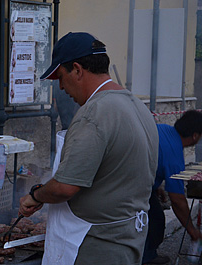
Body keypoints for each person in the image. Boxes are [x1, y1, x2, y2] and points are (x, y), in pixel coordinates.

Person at [18, 32, 159, 265]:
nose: (61, 87)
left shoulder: (94, 113)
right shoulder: (136, 105)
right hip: (129, 240)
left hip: (94, 246)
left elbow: (64, 187)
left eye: (61, 77)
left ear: (77, 69)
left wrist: (35, 196)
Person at [142, 110, 202, 264]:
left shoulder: (163, 128)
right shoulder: (175, 158)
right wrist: (192, 231)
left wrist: (156, 186)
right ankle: (146, 258)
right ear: (195, 136)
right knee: (155, 221)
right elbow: (178, 201)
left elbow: (152, 160)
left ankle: (148, 254)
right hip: (133, 187)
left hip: (141, 181)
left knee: (154, 217)